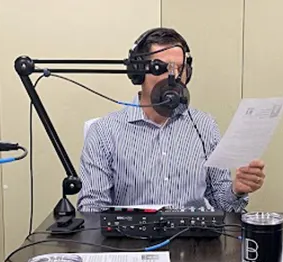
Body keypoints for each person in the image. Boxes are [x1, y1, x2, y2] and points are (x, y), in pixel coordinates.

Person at [77, 27, 266, 212]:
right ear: (138, 73)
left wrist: (236, 190)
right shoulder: (104, 132)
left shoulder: (204, 125)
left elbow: (222, 205)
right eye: (161, 68)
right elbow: (92, 210)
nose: (173, 76)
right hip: (129, 242)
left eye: (180, 68)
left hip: (195, 240)